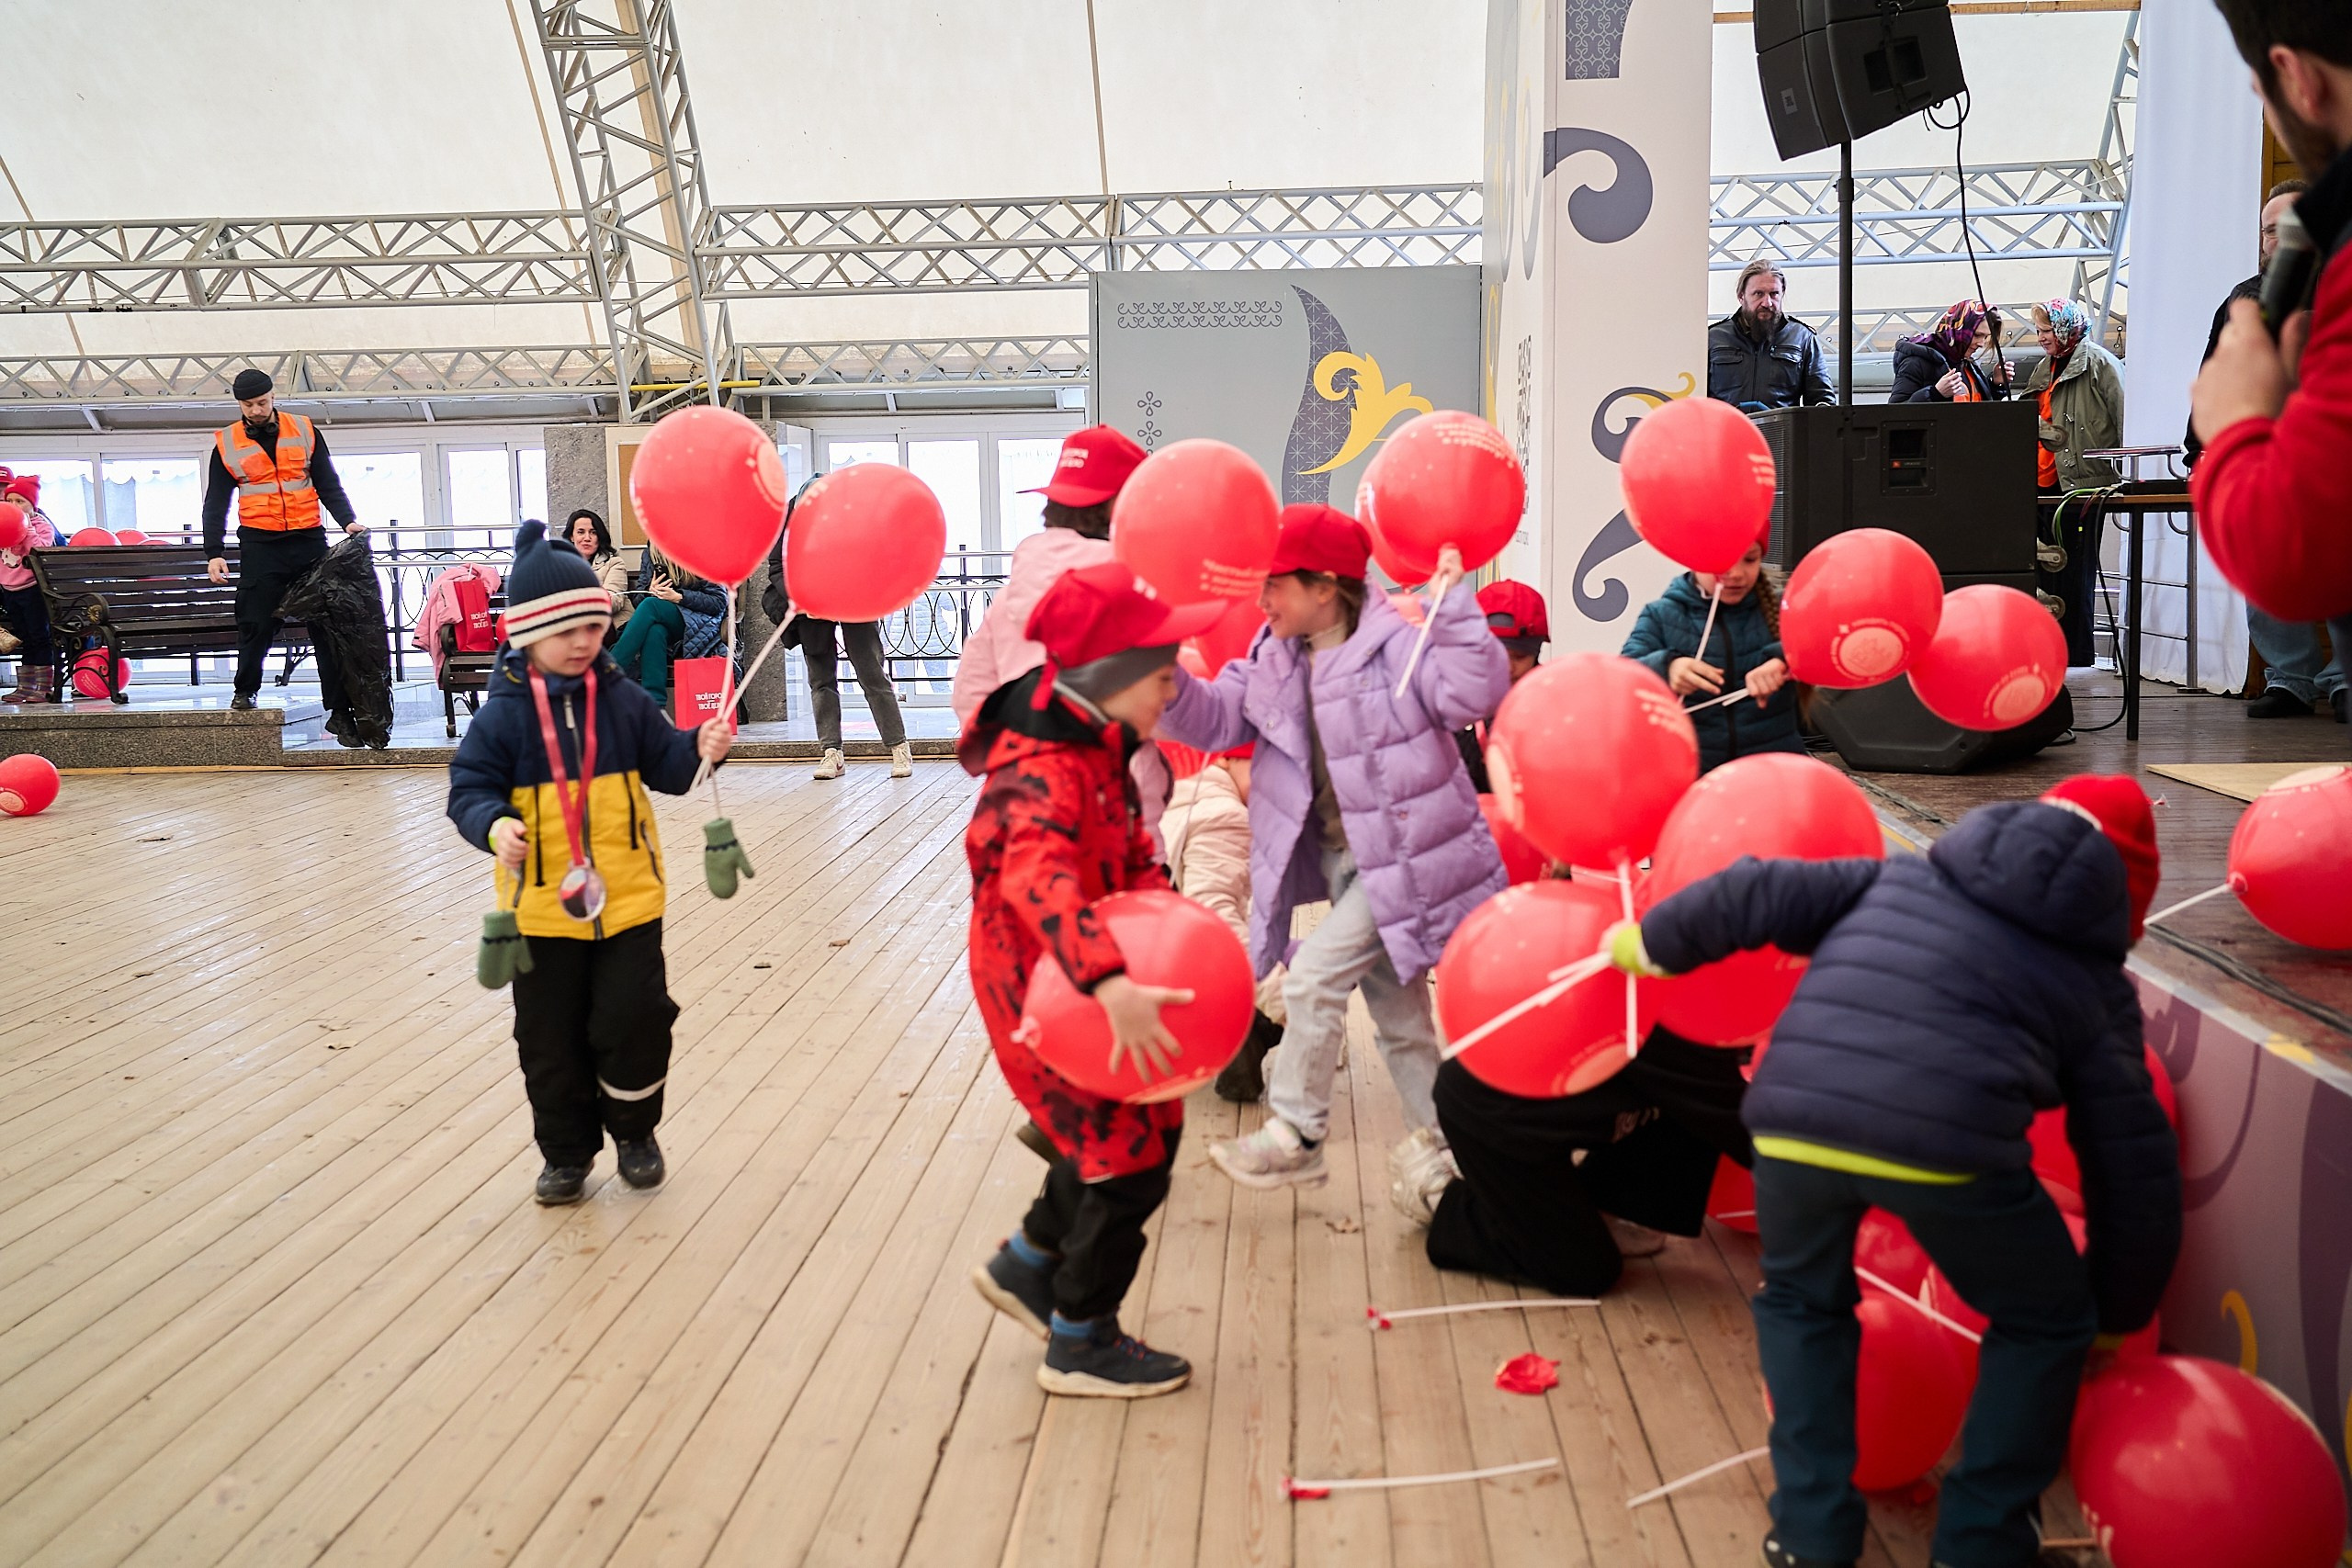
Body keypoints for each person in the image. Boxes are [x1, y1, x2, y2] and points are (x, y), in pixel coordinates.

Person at [1607, 775, 2179, 1568]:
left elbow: (1756, 887)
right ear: (2120, 906)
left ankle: (1811, 1538)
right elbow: (2133, 1162)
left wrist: (1655, 940)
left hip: (1793, 1124)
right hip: (1950, 1149)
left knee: (1805, 1306)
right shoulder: (2093, 984)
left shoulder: (1895, 876)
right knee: (2047, 1319)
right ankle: (1980, 1545)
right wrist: (2119, 1306)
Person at [1155, 504, 1511, 1203]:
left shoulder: (1397, 649)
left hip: (1406, 864)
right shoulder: (1274, 653)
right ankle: (1450, 1164)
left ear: (1324, 587)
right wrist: (1161, 668)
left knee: (1313, 978)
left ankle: (1297, 1132)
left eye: (1275, 585)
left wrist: (1457, 608)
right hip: (1353, 866)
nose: (1262, 600)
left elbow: (1476, 690)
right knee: (1403, 1023)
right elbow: (1218, 716)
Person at [961, 559, 1224, 1398]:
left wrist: (1172, 919)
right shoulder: (1041, 764)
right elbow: (1038, 879)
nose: (1173, 691)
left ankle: (1031, 1262)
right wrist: (1109, 982)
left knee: (1132, 1127)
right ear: (1110, 677)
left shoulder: (1100, 737)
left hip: (1083, 966)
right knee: (1130, 1155)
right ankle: (1080, 1336)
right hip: (1044, 987)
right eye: (1161, 676)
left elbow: (1130, 847)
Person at [447, 521, 735, 1205]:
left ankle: (635, 1131)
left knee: (636, 1020)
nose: (584, 641)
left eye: (592, 625)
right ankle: (567, 1155)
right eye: (566, 629)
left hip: (629, 900)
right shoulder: (503, 719)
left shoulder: (624, 700)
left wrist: (701, 745)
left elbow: (667, 767)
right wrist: (494, 825)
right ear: (525, 634)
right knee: (549, 1042)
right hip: (541, 913)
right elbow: (467, 792)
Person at [2193, 1, 2352, 731]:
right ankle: (2294, 677)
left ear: (2295, 78)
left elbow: (2295, 555)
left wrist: (2233, 429)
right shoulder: (2247, 297)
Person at [1418, 1016, 1754, 1295]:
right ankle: (1437, 1192)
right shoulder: (1675, 1025)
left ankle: (1597, 1209)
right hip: (1493, 1119)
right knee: (1585, 1270)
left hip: (1583, 1107)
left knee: (1694, 1107)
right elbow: (1750, 1133)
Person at [951, 425, 1164, 824]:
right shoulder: (1135, 588)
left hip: (1030, 800)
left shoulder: (1010, 594)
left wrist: (1016, 760)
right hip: (1124, 807)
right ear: (1118, 505)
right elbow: (1170, 700)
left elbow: (971, 691)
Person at [201, 368, 368, 730]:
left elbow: (327, 481)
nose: (256, 410)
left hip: (308, 541)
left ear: (273, 396)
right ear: (239, 404)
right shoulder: (227, 443)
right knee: (255, 622)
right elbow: (216, 501)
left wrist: (347, 521)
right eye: (248, 405)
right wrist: (214, 551)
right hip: (261, 544)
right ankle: (245, 689)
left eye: (261, 402)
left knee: (325, 626)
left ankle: (339, 712)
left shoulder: (305, 430)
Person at [1160, 744, 1289, 1103]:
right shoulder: (1223, 816)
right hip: (1180, 975)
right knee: (1319, 960)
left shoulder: (1175, 793)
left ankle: (1228, 1033)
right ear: (1227, 758)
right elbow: (1217, 927)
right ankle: (1237, 1032)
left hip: (1152, 963)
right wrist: (1292, 1004)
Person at [763, 479, 914, 782]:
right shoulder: (790, 517)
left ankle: (899, 746)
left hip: (855, 600)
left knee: (871, 673)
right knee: (821, 679)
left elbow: (877, 558)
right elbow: (777, 566)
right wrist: (799, 597)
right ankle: (831, 752)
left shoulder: (855, 515)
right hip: (812, 604)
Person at [1622, 527, 1802, 773]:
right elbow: (1625, 676)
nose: (1736, 573)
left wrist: (1782, 660)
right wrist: (1667, 668)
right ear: (1695, 560)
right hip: (1693, 776)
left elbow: (1823, 648)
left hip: (1774, 774)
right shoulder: (1661, 615)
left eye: (1750, 560)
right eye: (1721, 561)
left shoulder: (1785, 609)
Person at [2020, 300, 2125, 668]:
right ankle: (2045, 648)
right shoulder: (2043, 368)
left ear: (2066, 329)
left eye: (2048, 331)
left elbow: (2123, 413)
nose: (2042, 338)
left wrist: (2122, 473)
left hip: (2081, 485)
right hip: (2042, 484)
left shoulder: (2098, 363)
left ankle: (2076, 654)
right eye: (2039, 332)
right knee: (2042, 570)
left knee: (2076, 568)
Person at [1456, 579, 1547, 792]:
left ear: (1536, 655)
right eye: (1494, 655)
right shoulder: (1450, 701)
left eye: (1519, 656)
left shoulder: (1553, 705)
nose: (1506, 668)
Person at [1709, 261, 1835, 411]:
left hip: (1781, 433)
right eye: (1758, 294)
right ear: (1741, 296)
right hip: (1726, 432)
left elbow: (1822, 400)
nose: (1767, 302)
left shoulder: (1803, 338)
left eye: (1774, 294)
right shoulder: (1712, 338)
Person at [610, 545, 722, 710]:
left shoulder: (702, 548)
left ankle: (609, 668)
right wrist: (650, 590)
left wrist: (679, 597)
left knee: (651, 606)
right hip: (661, 619)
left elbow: (718, 602)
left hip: (698, 622)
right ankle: (656, 706)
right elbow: (639, 601)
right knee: (655, 632)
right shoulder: (651, 552)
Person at [1, 471, 60, 705]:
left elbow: (41, 552)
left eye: (20, 501)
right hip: (9, 589)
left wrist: (26, 528)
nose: (14, 505)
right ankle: (25, 686)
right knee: (24, 637)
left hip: (32, 589)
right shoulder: (2, 520)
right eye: (10, 500)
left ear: (32, 505)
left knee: (39, 636)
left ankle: (44, 687)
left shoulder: (40, 525)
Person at [1888, 299, 2012, 403]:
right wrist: (1935, 394)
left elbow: (1981, 408)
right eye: (1977, 335)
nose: (1981, 343)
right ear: (1958, 329)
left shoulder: (1968, 364)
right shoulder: (1916, 363)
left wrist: (1996, 384)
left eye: (1986, 337)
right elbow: (1895, 414)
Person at [567, 508, 632, 632]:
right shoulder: (561, 567)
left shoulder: (614, 563)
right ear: (571, 537)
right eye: (581, 532)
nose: (587, 538)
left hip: (611, 625)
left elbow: (615, 601)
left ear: (599, 537)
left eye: (593, 532)